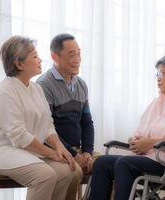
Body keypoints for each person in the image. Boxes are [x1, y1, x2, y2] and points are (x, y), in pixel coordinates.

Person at [88, 54, 165, 200]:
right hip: (146, 158)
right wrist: (137, 141)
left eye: (162, 73)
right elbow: (138, 132)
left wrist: (150, 142)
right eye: (157, 74)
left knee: (125, 163)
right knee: (102, 162)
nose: (158, 78)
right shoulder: (157, 102)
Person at [0, 36, 75, 200]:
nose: (40, 60)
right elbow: (19, 135)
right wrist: (51, 153)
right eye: (34, 56)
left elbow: (47, 125)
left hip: (21, 150)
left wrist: (59, 147)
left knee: (65, 171)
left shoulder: (36, 88)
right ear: (19, 64)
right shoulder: (5, 92)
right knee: (44, 175)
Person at [36, 33, 98, 200]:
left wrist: (87, 152)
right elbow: (45, 129)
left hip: (77, 150)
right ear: (54, 56)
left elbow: (87, 123)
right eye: (72, 55)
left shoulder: (81, 84)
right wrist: (72, 154)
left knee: (110, 166)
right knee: (73, 172)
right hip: (54, 149)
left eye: (79, 54)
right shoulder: (44, 85)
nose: (77, 59)